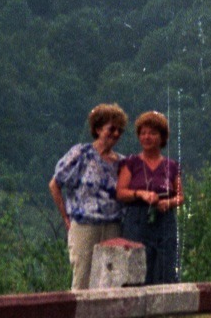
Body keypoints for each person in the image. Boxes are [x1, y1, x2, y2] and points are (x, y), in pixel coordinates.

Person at [50, 103, 128, 292]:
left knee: (110, 281)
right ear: (99, 129)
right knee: (82, 280)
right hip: (85, 226)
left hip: (113, 227)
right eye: (112, 129)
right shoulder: (81, 154)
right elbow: (55, 184)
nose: (116, 134)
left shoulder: (122, 163)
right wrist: (66, 218)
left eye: (119, 130)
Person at [117, 110, 184, 284]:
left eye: (152, 133)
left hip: (164, 220)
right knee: (136, 269)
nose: (147, 137)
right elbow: (121, 192)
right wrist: (140, 194)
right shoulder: (131, 163)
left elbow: (180, 197)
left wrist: (167, 203)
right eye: (143, 133)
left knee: (165, 268)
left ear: (162, 137)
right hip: (137, 219)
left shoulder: (172, 166)